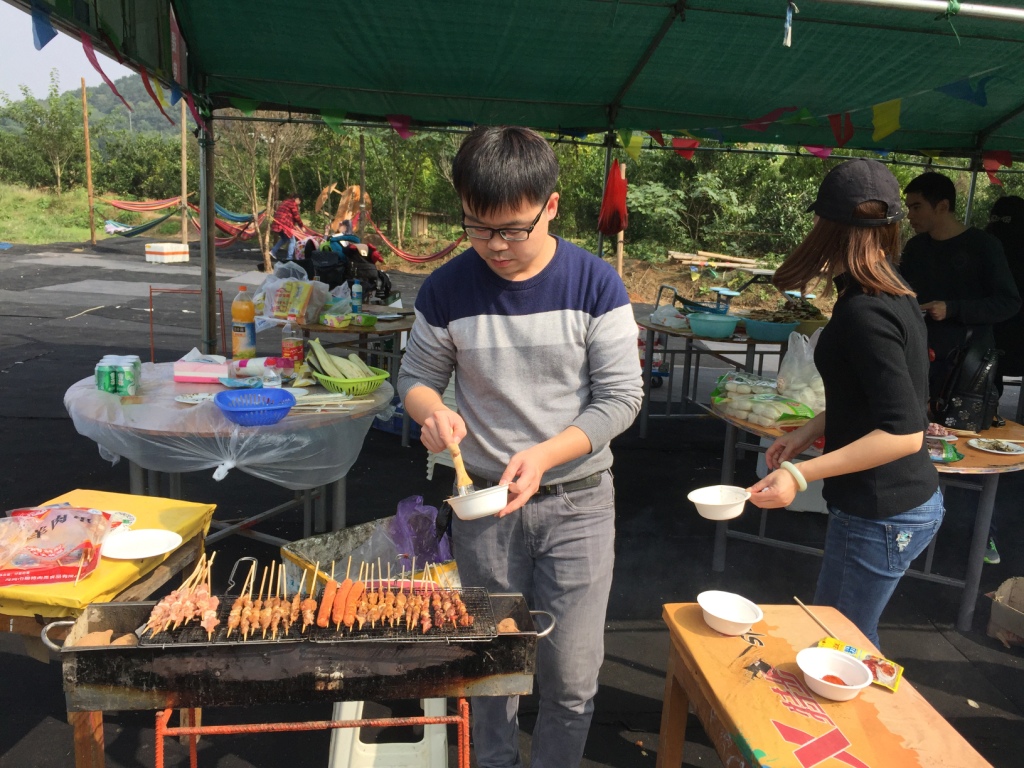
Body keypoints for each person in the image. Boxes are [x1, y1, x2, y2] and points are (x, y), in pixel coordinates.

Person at [397, 125, 642, 767]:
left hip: (578, 503)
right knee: (491, 666)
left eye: (512, 229)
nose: (496, 246)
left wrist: (547, 454)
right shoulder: (447, 289)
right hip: (484, 505)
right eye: (478, 228)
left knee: (571, 676)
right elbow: (415, 378)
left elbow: (622, 398)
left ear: (551, 206)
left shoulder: (595, 285)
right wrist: (432, 412)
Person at [748, 159, 942, 649]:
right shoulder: (888, 290)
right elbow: (871, 397)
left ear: (828, 226)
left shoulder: (865, 309)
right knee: (831, 633)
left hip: (884, 510)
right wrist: (809, 430)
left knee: (845, 645)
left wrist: (798, 476)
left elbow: (904, 432)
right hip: (881, 505)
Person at [898, 172, 1021, 403]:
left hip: (967, 369)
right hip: (919, 360)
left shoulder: (984, 246)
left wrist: (952, 308)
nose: (909, 215)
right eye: (908, 208)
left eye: (916, 207)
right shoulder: (915, 247)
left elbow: (1009, 303)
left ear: (942, 206)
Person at [980, 195, 1024, 564]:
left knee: (983, 415)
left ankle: (984, 531)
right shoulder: (988, 246)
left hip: (989, 344)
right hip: (1001, 341)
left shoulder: (987, 244)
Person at [270, 194, 304, 260]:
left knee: (284, 239)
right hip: (284, 223)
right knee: (292, 241)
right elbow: (296, 216)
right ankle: (289, 258)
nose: (299, 204)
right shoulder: (292, 204)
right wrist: (301, 225)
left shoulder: (285, 202)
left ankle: (273, 251)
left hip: (278, 222)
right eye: (299, 202)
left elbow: (291, 215)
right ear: (297, 199)